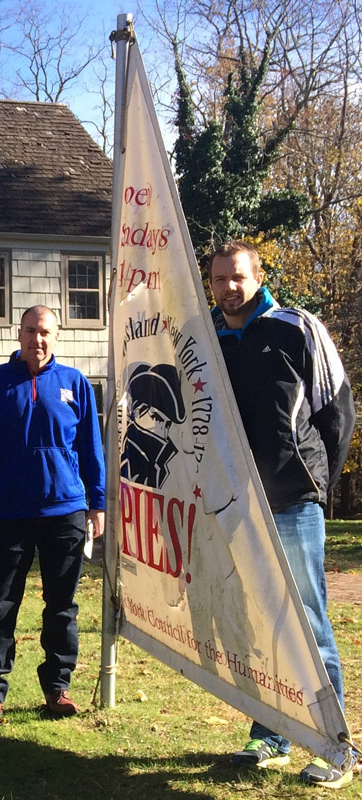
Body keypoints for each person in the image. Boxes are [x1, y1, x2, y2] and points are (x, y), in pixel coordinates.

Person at [209, 240, 356, 789]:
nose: (228, 288)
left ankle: (337, 746)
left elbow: (338, 412)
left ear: (259, 275)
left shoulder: (297, 327)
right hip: (236, 508)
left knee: (307, 625)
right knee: (256, 627)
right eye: (219, 279)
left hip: (294, 506)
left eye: (237, 277)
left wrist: (316, 485)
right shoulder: (210, 340)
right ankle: (269, 733)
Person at [0, 305, 105, 726]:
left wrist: (98, 504)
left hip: (66, 512)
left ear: (56, 337)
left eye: (45, 333)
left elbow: (91, 450)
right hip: (7, 515)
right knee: (0, 605)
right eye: (30, 332)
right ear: (18, 334)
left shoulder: (75, 384)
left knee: (62, 606)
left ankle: (58, 689)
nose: (37, 340)